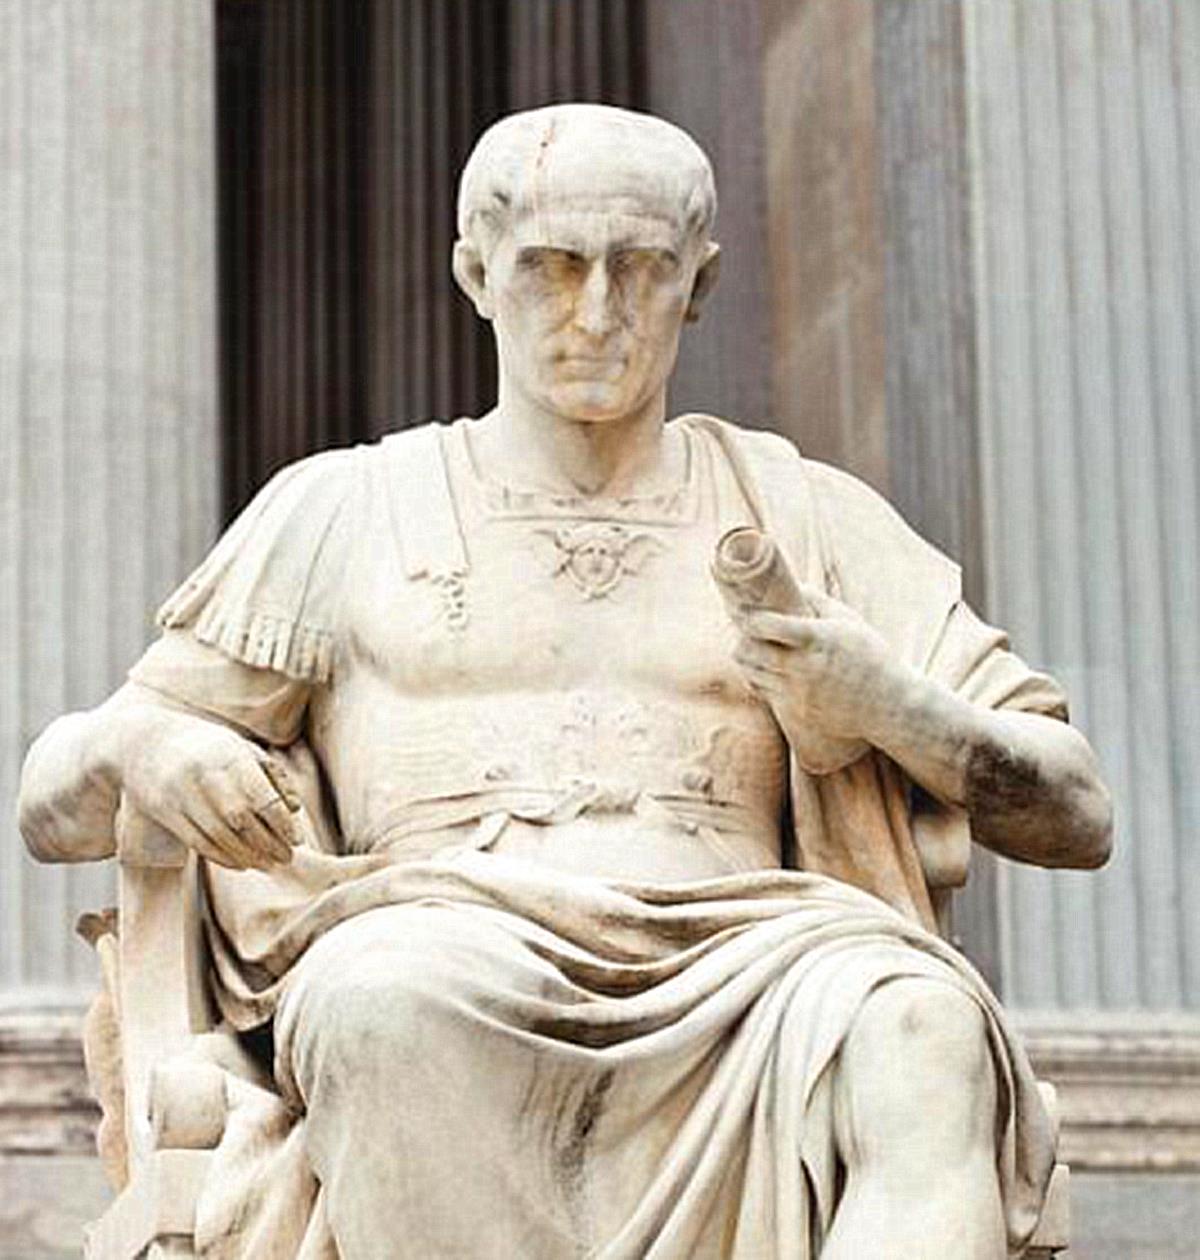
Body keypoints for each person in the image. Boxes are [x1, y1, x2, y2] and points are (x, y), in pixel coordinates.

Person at [19, 104, 1111, 1259]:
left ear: (699, 282)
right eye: (551, 266)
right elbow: (52, 803)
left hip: (767, 961)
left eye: (639, 268)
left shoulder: (801, 513)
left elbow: (1077, 810)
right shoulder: (346, 509)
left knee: (926, 1032)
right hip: (444, 945)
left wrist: (889, 704)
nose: (596, 312)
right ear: (476, 275)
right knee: (381, 1002)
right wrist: (149, 746)